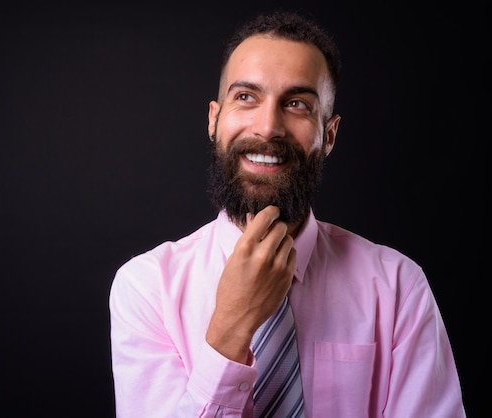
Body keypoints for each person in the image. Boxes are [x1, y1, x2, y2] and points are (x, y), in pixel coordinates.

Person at [108, 9, 466, 418]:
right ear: (214, 119)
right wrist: (231, 328)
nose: (268, 127)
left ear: (328, 135)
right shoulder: (146, 288)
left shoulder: (398, 287)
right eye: (246, 97)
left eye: (296, 104)